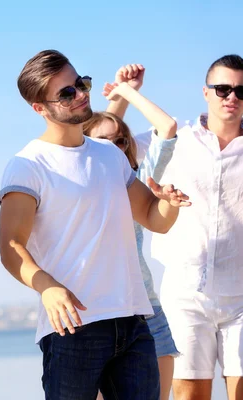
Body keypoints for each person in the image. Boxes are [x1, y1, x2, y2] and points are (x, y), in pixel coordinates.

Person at [0, 49, 191, 399]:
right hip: (73, 329)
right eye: (67, 93)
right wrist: (47, 286)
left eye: (80, 83)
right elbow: (10, 246)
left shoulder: (110, 155)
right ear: (40, 108)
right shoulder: (27, 164)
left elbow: (152, 218)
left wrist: (169, 203)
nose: (82, 94)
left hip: (133, 321)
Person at [83, 65, 179, 400]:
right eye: (104, 143)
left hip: (147, 311)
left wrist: (127, 92)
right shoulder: (79, 183)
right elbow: (95, 134)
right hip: (98, 315)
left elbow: (167, 128)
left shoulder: (139, 177)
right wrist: (118, 95)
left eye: (122, 142)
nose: (114, 147)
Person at [151, 54, 243, 400]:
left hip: (241, 297)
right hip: (186, 294)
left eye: (240, 90)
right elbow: (115, 140)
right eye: (222, 89)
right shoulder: (180, 140)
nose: (231, 97)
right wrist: (123, 95)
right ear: (205, 92)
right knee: (190, 396)